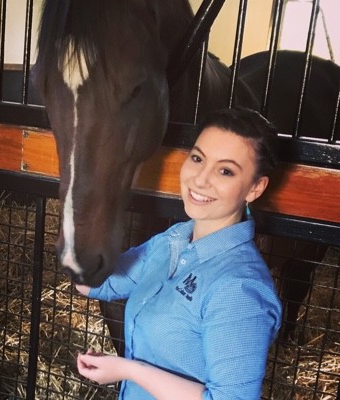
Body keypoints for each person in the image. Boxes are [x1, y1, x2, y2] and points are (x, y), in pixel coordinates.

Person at [76, 107, 282, 400]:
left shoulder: (239, 288)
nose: (200, 180)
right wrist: (81, 222)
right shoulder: (173, 241)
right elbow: (101, 283)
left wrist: (129, 370)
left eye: (225, 171)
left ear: (255, 188)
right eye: (197, 159)